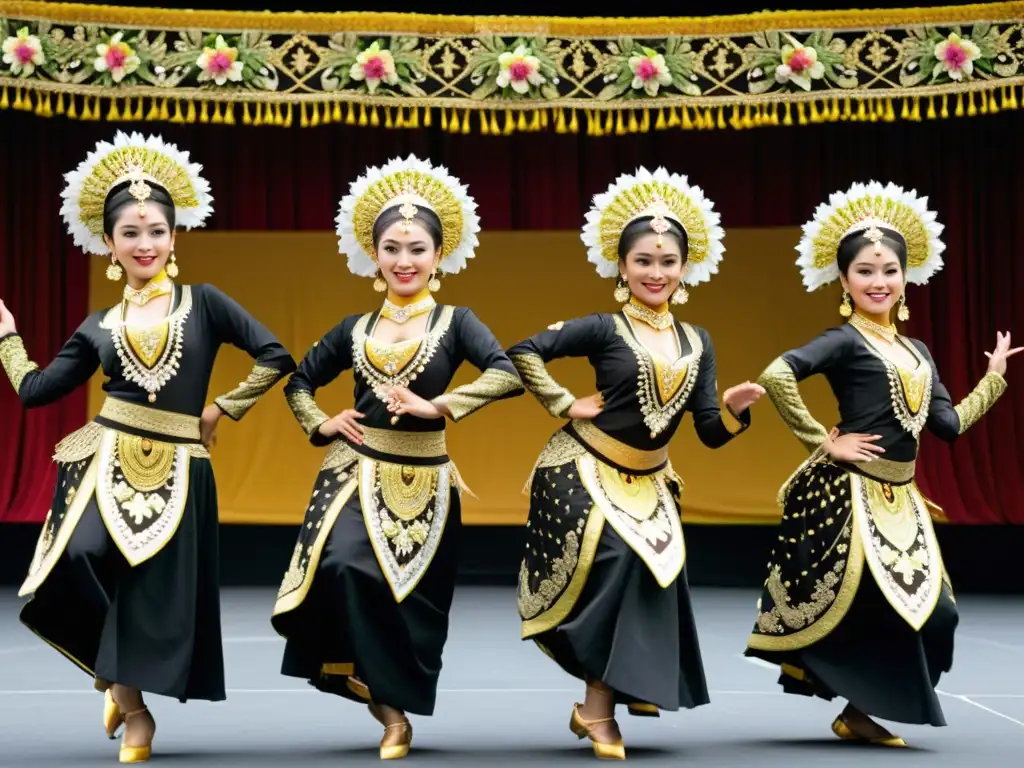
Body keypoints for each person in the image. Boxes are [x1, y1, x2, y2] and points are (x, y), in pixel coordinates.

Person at [0, 131, 295, 763]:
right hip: (105, 461)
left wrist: (221, 408)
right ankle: (126, 696)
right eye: (130, 234)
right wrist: (7, 338)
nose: (145, 244)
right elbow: (35, 391)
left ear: (174, 239)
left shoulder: (206, 303)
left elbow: (277, 356)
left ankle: (132, 707)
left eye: (156, 231)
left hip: (182, 469)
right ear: (109, 244)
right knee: (78, 558)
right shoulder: (97, 325)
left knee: (151, 596)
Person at [746, 180, 1019, 745]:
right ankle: (860, 710)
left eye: (889, 270)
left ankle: (857, 712)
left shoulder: (918, 351)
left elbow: (946, 425)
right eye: (865, 271)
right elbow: (777, 374)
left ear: (906, 276)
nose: (879, 281)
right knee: (874, 608)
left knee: (936, 614)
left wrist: (993, 380)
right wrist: (825, 442)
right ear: (844, 281)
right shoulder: (844, 340)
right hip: (852, 497)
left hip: (904, 502)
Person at [270, 155, 524, 760]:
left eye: (416, 248)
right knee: (345, 567)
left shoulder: (458, 323)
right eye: (391, 247)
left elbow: (508, 374)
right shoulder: (353, 330)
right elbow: (299, 382)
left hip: (428, 482)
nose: (404, 260)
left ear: (440, 255)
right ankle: (388, 712)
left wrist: (438, 406)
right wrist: (322, 421)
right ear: (373, 254)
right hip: (355, 475)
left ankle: (396, 706)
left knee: (413, 605)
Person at [508, 167, 764, 759]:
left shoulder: (698, 341)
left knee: (654, 572)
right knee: (620, 559)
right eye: (643, 260)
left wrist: (731, 410)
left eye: (668, 261)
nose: (656, 272)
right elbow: (523, 351)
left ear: (685, 267)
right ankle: (599, 711)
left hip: (650, 482)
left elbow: (708, 432)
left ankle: (598, 705)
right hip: (584, 466)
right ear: (621, 267)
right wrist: (563, 402)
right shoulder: (602, 328)